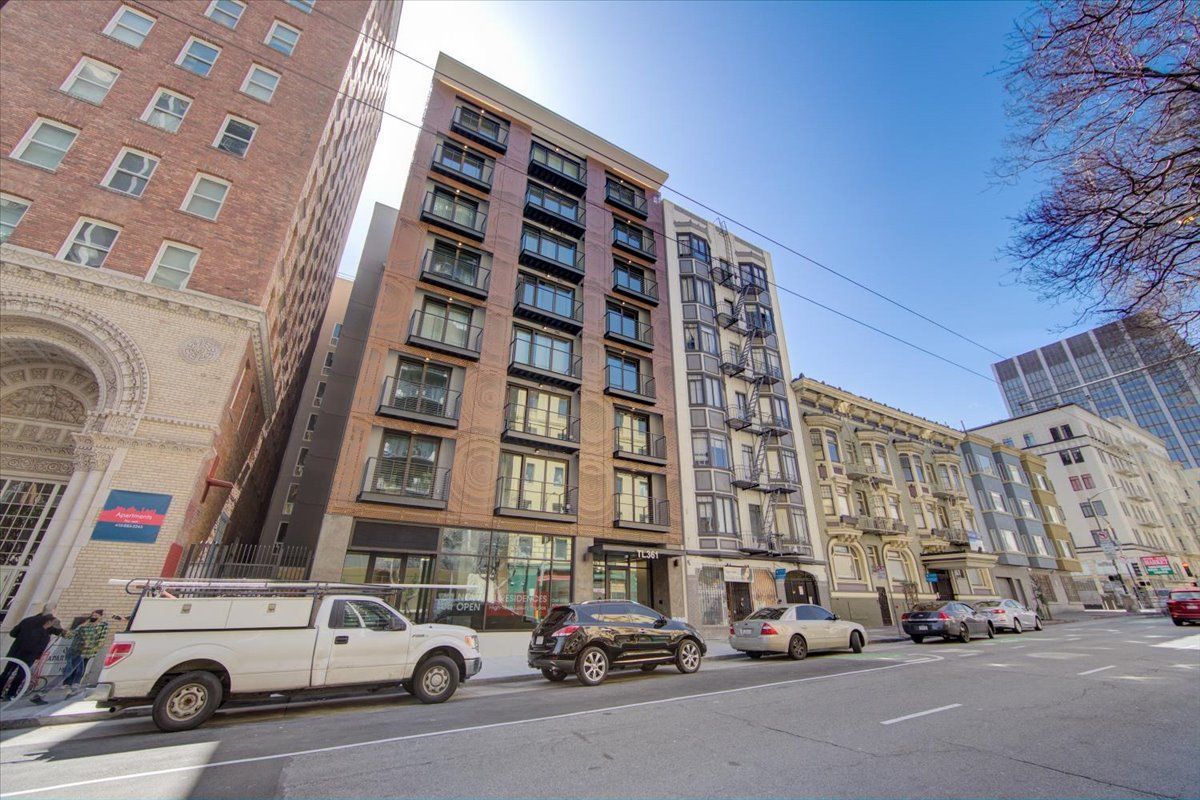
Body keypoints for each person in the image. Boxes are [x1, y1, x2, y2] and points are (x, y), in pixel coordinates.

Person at [28, 610, 112, 704]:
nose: (94, 616)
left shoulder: (102, 625)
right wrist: (62, 632)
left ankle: (67, 692)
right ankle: (44, 694)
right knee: (69, 672)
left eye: (96, 615)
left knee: (77, 672)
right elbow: (72, 634)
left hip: (86, 652)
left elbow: (101, 639)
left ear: (100, 617)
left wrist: (95, 649)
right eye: (92, 615)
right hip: (76, 651)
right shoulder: (84, 625)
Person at [1, 613, 63, 701]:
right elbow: (36, 639)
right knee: (21, 674)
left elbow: (13, 633)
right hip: (29, 655)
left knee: (7, 672)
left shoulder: (27, 621)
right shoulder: (42, 629)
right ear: (48, 621)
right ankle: (10, 694)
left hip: (15, 652)